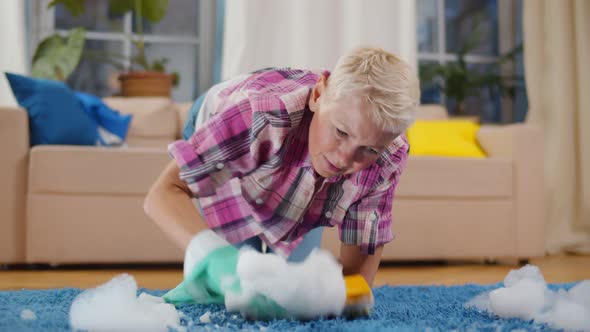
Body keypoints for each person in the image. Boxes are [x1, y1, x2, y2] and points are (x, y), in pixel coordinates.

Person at [143, 47, 419, 311]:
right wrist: (212, 255)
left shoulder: (389, 153)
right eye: (341, 132)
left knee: (286, 287)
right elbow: (164, 192)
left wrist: (339, 295)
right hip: (228, 123)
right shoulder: (259, 114)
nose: (346, 160)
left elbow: (357, 276)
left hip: (295, 161)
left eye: (369, 149)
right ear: (318, 94)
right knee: (236, 281)